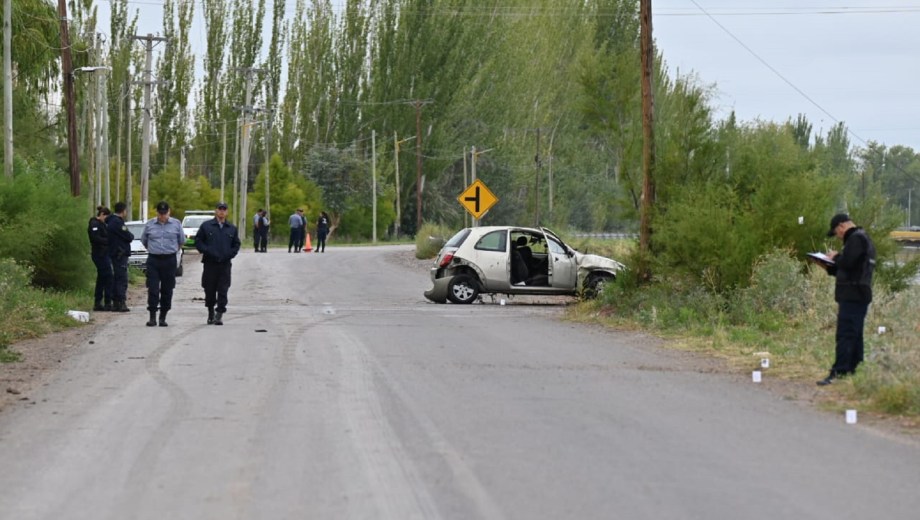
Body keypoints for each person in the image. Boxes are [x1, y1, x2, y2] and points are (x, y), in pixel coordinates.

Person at [810, 213, 876, 386]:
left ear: (841, 226)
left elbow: (847, 262)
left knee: (845, 335)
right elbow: (848, 269)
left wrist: (834, 257)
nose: (838, 236)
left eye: (836, 232)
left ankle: (839, 372)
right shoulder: (862, 238)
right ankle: (854, 370)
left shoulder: (856, 239)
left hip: (853, 295)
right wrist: (827, 266)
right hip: (857, 294)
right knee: (855, 335)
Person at [195, 202, 241, 325]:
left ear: (227, 212)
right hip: (210, 263)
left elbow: (236, 245)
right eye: (219, 209)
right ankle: (210, 311)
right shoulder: (206, 226)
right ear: (215, 211)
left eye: (224, 209)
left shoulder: (231, 228)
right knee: (209, 289)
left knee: (223, 290)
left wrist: (229, 254)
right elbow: (198, 242)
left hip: (225, 264)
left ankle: (219, 313)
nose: (221, 212)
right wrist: (207, 251)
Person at [140, 201, 184, 327]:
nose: (163, 216)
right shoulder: (150, 224)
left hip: (169, 260)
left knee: (167, 289)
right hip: (154, 260)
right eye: (160, 213)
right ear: (157, 212)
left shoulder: (176, 224)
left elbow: (181, 241)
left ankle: (163, 317)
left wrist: (171, 251)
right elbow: (145, 241)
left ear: (169, 212)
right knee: (153, 288)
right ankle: (152, 317)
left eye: (165, 213)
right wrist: (155, 250)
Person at [106, 202, 135, 312]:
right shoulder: (117, 222)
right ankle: (121, 302)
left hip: (116, 253)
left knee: (117, 278)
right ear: (123, 211)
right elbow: (129, 236)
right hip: (120, 253)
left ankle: (116, 302)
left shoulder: (112, 221)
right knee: (121, 279)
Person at [88, 206, 113, 311]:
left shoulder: (103, 224)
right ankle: (106, 302)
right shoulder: (94, 224)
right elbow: (95, 238)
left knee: (102, 278)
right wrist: (108, 241)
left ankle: (98, 302)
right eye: (106, 217)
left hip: (104, 254)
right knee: (108, 276)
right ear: (102, 214)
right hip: (99, 254)